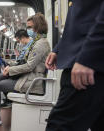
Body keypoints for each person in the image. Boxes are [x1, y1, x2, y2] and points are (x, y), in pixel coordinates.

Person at [45, 1, 104, 130]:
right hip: (86, 55)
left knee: (60, 125)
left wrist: (89, 56)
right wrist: (58, 49)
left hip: (89, 62)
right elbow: (77, 20)